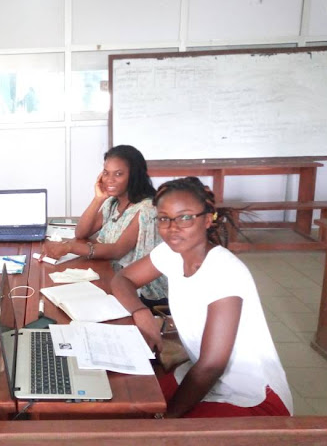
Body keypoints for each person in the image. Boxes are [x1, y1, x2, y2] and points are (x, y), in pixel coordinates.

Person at [110, 176, 292, 418]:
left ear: (207, 219)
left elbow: (211, 365)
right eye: (164, 218)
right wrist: (141, 312)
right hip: (200, 374)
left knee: (146, 425)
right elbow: (122, 279)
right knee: (125, 403)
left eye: (185, 217)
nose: (172, 227)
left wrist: (168, 419)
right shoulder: (171, 253)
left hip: (251, 395)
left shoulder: (225, 272)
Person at [41, 144, 167, 306]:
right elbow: (81, 232)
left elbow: (118, 250)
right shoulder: (113, 202)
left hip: (138, 288)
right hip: (110, 273)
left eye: (118, 174)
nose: (109, 180)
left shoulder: (147, 209)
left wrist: (69, 247)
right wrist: (98, 199)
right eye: (106, 173)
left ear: (134, 176)